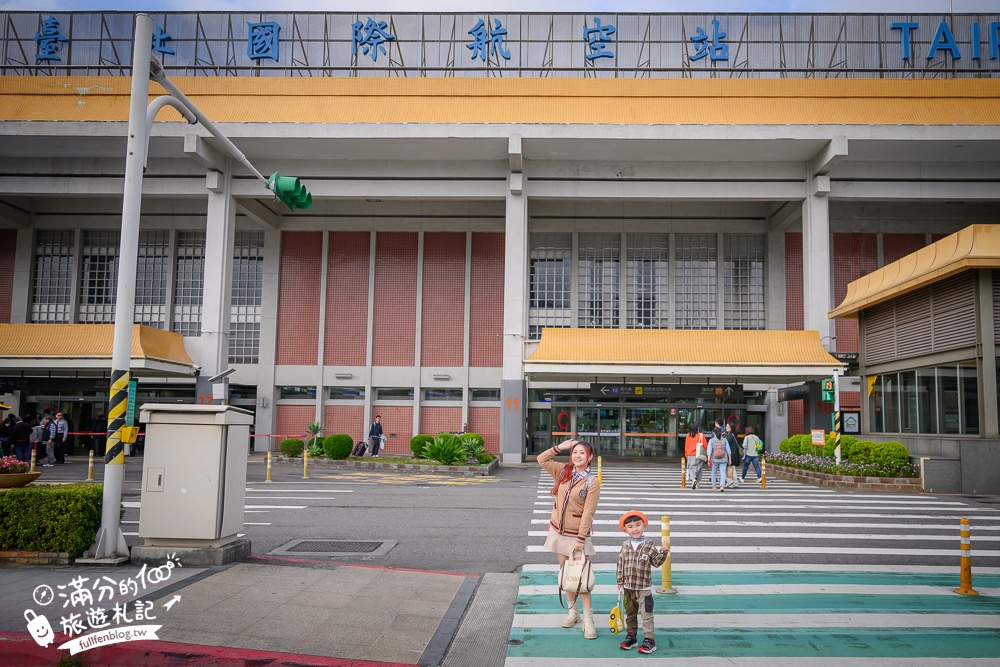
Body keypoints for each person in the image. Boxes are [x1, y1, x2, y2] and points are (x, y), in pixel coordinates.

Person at [537, 439, 601, 640]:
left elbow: (588, 513)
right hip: (558, 532)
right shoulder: (563, 471)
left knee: (581, 578)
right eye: (574, 452)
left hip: (577, 536)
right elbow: (541, 459)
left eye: (582, 453)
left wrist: (581, 540)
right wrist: (560, 447)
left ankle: (588, 620)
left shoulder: (592, 481)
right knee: (567, 576)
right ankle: (573, 613)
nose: (577, 456)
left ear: (589, 457)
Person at [616, 510, 669, 655]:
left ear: (644, 526)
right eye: (631, 526)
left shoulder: (649, 544)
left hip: (643, 587)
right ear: (625, 530)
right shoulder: (625, 545)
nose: (635, 529)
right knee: (630, 614)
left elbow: (656, 562)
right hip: (628, 587)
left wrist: (663, 552)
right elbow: (620, 563)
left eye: (638, 525)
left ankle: (649, 640)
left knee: (646, 614)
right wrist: (620, 581)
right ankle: (631, 637)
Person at [683, 421, 707, 490]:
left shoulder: (688, 435)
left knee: (692, 469)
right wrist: (707, 455)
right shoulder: (701, 435)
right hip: (699, 454)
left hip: (690, 455)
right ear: (697, 428)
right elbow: (705, 445)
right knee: (699, 469)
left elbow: (686, 446)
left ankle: (693, 480)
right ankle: (698, 483)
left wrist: (686, 455)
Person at [709, 426, 731, 492]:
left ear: (714, 433)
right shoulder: (725, 440)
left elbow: (709, 451)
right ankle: (722, 486)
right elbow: (728, 450)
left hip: (714, 459)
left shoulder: (711, 440)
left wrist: (708, 459)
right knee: (723, 472)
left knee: (714, 472)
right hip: (723, 459)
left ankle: (714, 485)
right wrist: (730, 459)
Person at [724, 421, 742, 489]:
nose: (726, 427)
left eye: (728, 426)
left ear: (731, 428)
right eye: (726, 426)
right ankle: (735, 483)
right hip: (734, 454)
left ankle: (730, 481)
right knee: (733, 468)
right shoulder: (734, 435)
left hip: (730, 455)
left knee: (728, 468)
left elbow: (726, 444)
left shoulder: (730, 436)